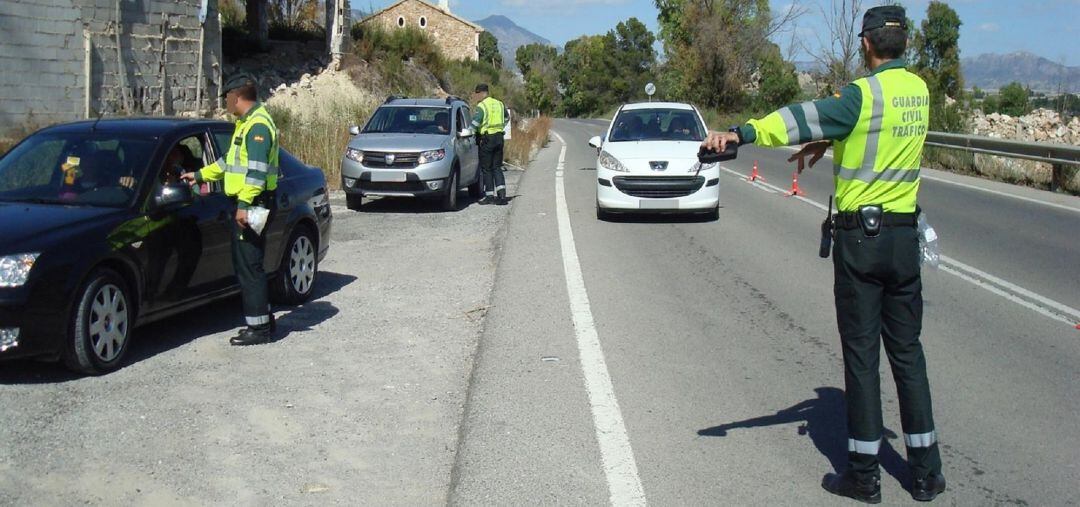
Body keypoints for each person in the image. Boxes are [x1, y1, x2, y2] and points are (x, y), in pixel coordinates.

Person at [702, 6, 945, 503]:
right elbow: (877, 140)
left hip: (863, 240)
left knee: (861, 357)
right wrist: (829, 144)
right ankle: (926, 473)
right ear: (903, 44)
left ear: (866, 45)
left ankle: (863, 474)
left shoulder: (863, 94)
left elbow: (799, 118)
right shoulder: (918, 92)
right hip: (904, 240)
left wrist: (740, 132)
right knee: (908, 354)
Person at [181, 74, 280, 346]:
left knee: (249, 264)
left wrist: (244, 205)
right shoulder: (245, 124)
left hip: (254, 203)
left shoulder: (257, 126)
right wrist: (199, 175)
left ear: (236, 96)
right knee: (246, 261)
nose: (225, 102)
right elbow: (228, 163)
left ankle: (258, 329)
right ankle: (264, 318)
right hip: (249, 201)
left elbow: (257, 173)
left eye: (226, 97)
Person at [471, 83, 508, 205]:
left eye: (476, 94)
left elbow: (476, 123)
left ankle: (489, 196)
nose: (476, 96)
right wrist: (500, 126)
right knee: (497, 167)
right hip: (499, 138)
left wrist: (469, 131)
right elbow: (507, 118)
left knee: (486, 168)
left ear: (481, 93)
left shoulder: (482, 106)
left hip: (487, 139)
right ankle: (502, 196)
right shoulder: (499, 103)